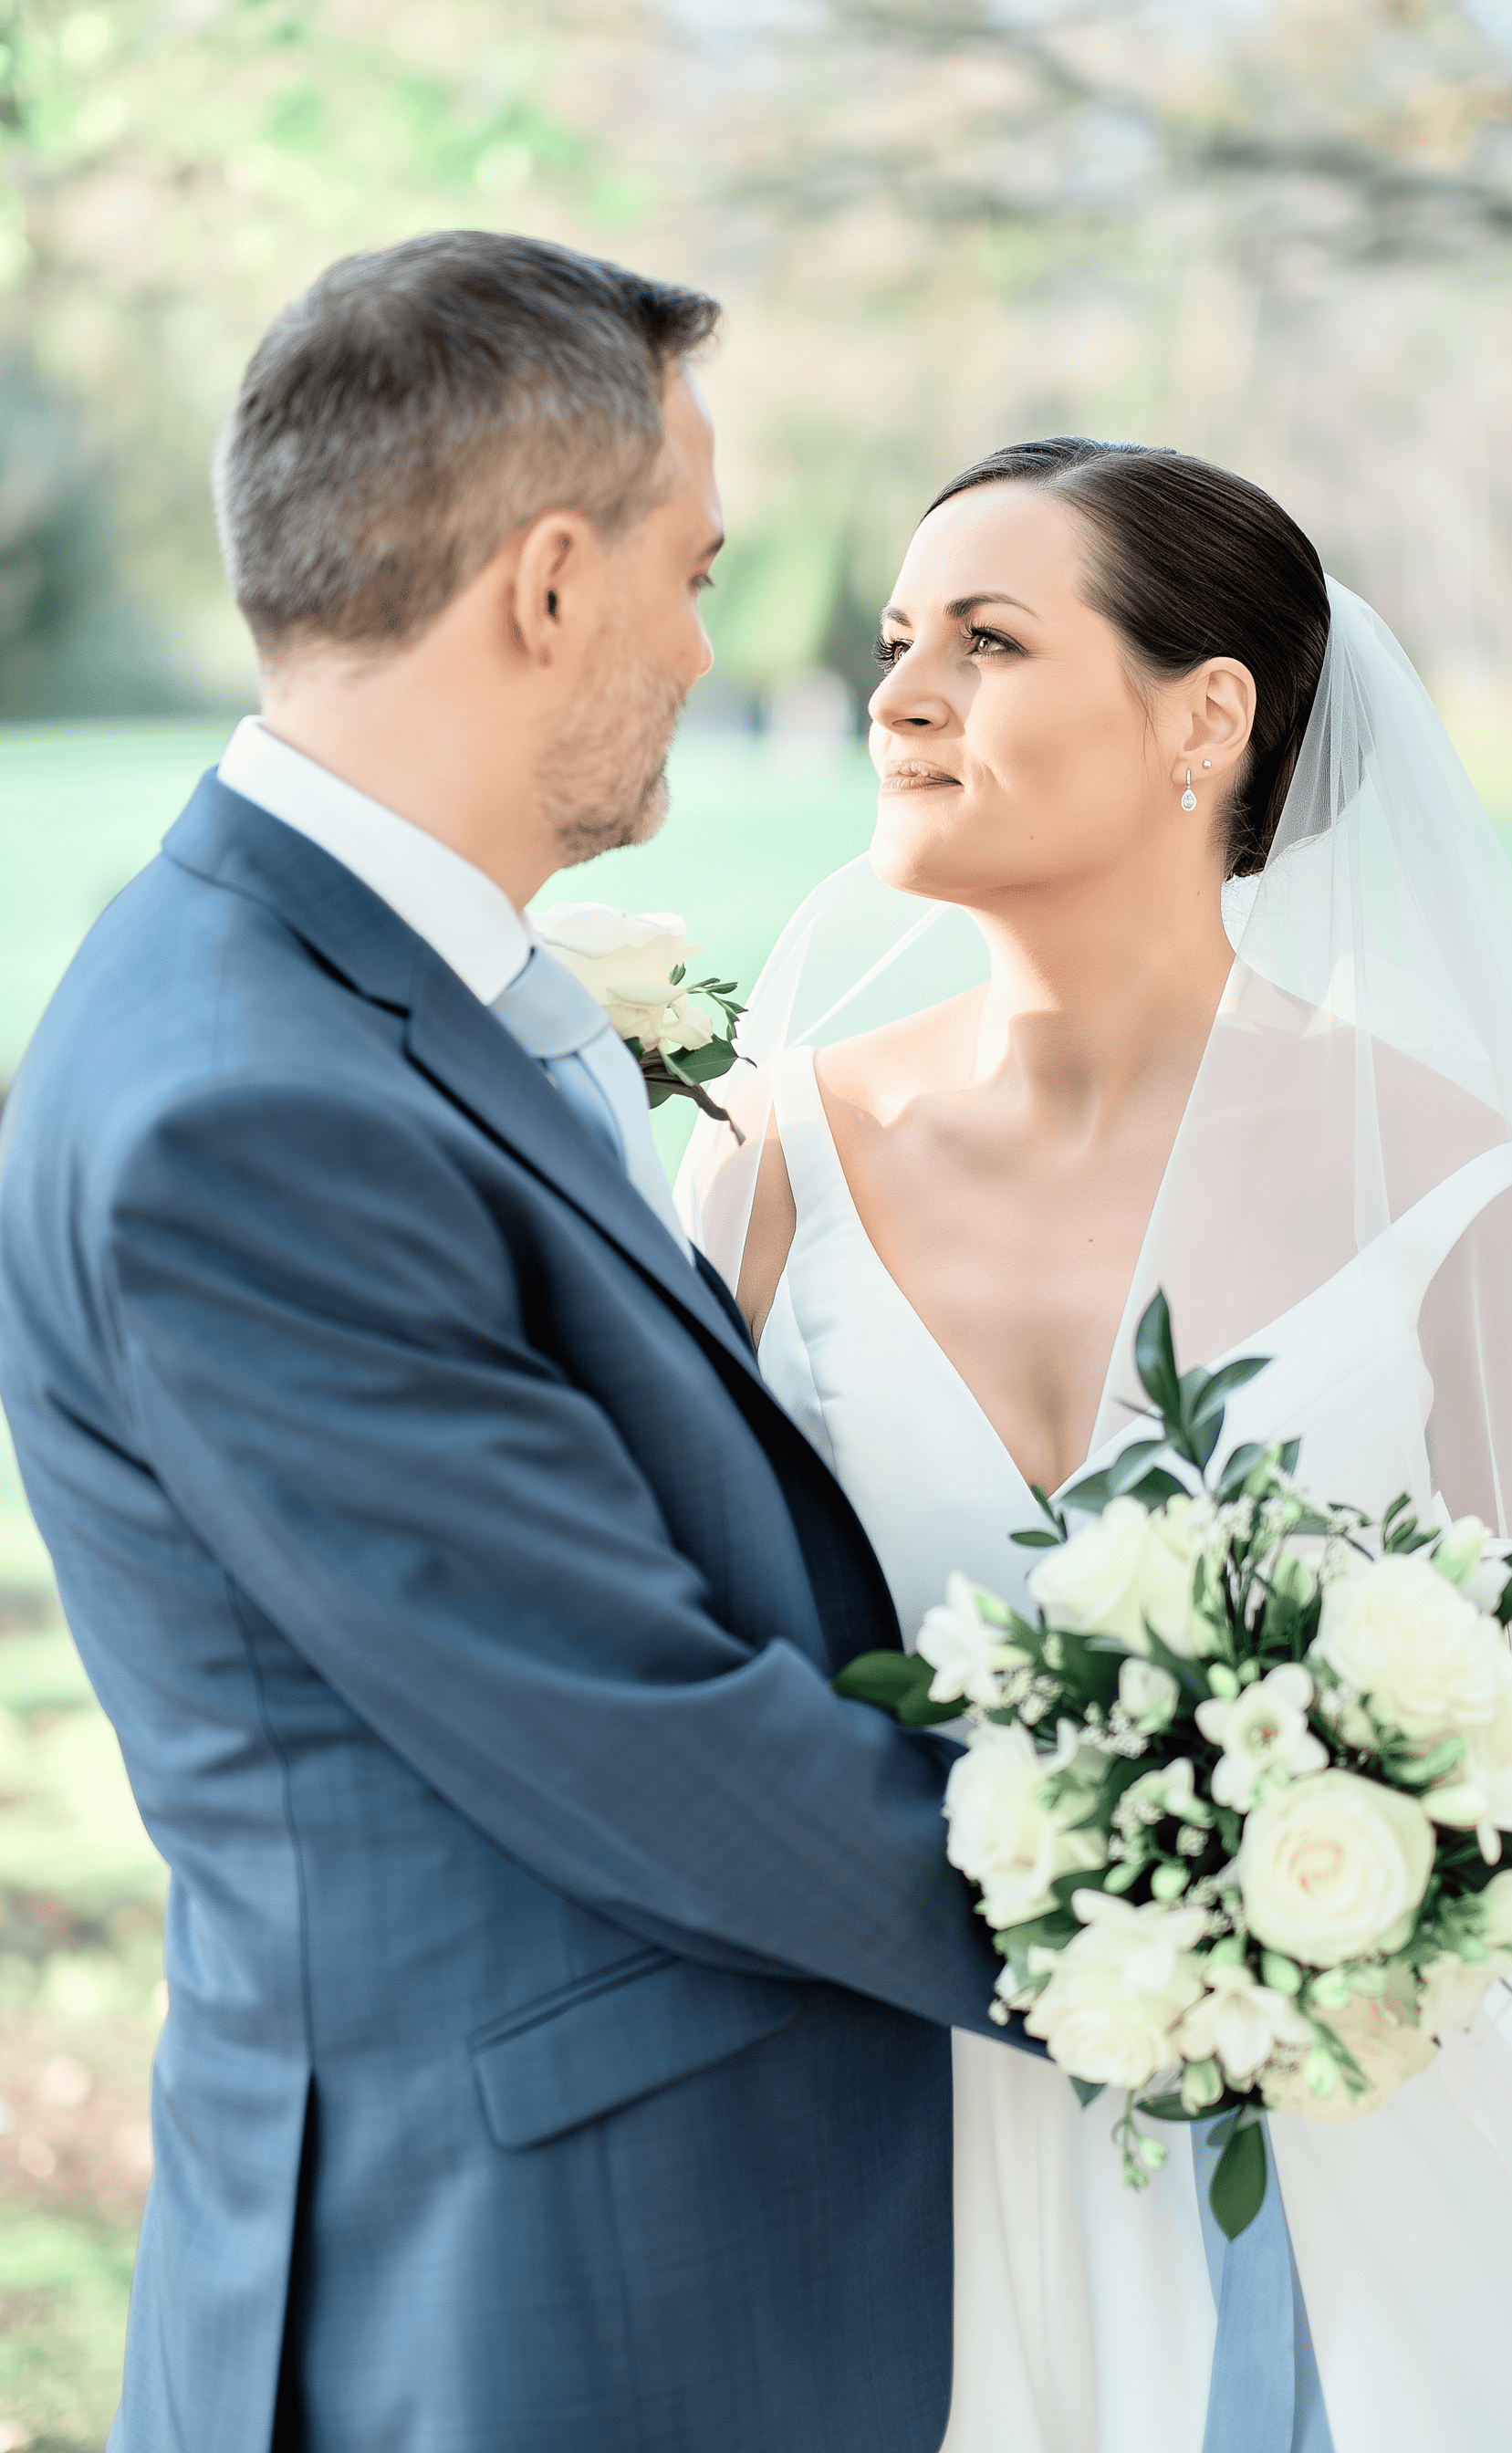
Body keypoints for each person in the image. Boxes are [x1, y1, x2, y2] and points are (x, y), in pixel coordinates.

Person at [0, 233, 1027, 2453]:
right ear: (550, 583)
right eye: (693, 570)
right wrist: (1165, 1921)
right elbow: (630, 1729)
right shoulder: (246, 1110)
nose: (705, 645)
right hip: (511, 2309)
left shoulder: (344, 990)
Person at [683, 440, 1512, 2452]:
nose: (899, 695)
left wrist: (1307, 1920)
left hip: (1345, 2158)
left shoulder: (1446, 1183)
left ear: (1204, 719)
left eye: (987, 641)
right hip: (887, 2140)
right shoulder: (767, 1162)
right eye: (897, 640)